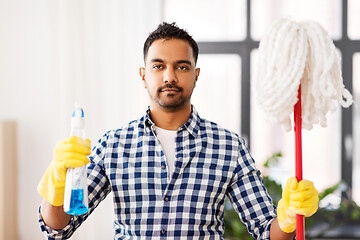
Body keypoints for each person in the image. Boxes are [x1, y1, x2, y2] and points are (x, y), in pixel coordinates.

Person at [37, 22, 319, 239]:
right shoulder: (113, 145)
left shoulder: (228, 147)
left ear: (196, 74)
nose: (169, 76)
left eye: (181, 66)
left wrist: (288, 216)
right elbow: (58, 229)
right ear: (144, 75)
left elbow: (267, 232)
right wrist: (57, 185)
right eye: (158, 66)